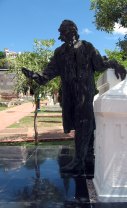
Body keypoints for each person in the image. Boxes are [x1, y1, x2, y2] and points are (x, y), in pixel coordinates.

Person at [22, 20, 126, 175]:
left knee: (84, 122)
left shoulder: (87, 47)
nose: (61, 36)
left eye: (62, 32)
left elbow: (99, 64)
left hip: (85, 92)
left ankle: (80, 161)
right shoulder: (60, 52)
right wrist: (35, 75)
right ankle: (88, 156)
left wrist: (114, 63)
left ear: (71, 31)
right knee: (81, 124)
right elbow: (48, 73)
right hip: (70, 94)